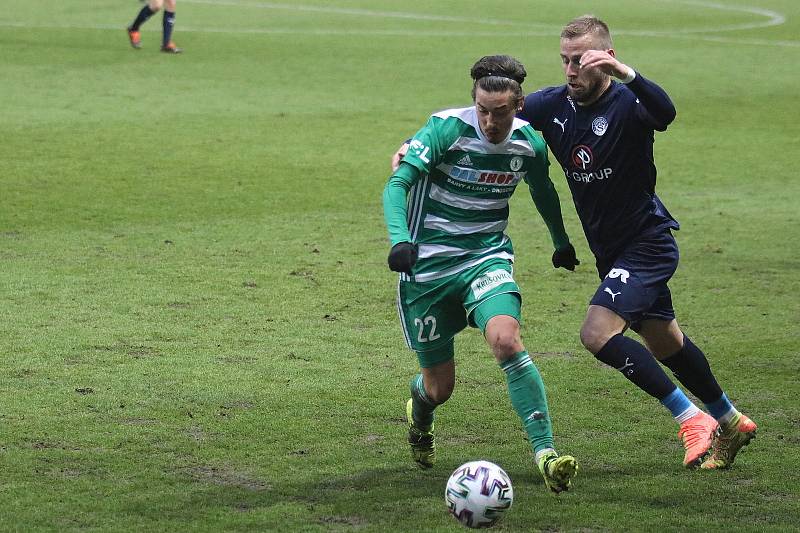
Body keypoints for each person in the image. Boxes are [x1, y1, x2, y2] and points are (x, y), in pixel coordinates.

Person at [391, 16, 757, 471]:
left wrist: (629, 75)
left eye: (581, 61)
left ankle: (691, 419)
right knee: (666, 341)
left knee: (596, 334)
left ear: (605, 60)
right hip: (611, 250)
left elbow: (665, 113)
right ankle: (731, 419)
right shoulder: (554, 106)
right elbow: (488, 114)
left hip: (646, 244)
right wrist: (414, 143)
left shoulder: (627, 104)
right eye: (565, 60)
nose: (570, 70)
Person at [383, 55, 580, 494]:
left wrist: (559, 240)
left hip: (484, 258)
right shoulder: (445, 129)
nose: (490, 121)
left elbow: (543, 190)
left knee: (506, 340)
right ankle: (420, 411)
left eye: (501, 112)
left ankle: (545, 453)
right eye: (483, 110)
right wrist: (400, 239)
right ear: (474, 101)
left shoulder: (529, 143)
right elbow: (397, 184)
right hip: (427, 268)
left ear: (519, 105)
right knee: (440, 387)